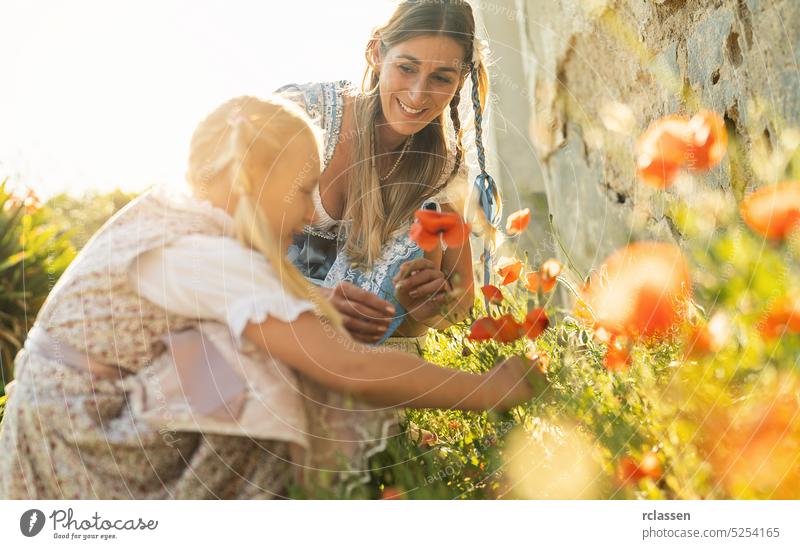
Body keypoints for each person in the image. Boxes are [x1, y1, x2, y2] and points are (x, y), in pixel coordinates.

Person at [0, 95, 541, 499]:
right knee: (268, 365)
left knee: (250, 350)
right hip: (77, 445)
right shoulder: (207, 253)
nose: (311, 213)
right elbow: (343, 365)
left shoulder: (174, 220)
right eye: (303, 189)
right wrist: (487, 388)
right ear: (248, 182)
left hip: (68, 423)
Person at [280, 0, 492, 350]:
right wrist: (318, 299)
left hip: (352, 357)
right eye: (407, 68)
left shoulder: (444, 169)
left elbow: (459, 303)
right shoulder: (308, 115)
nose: (417, 94)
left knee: (426, 230)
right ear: (378, 52)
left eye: (441, 77)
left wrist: (426, 306)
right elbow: (218, 241)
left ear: (461, 80)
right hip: (255, 323)